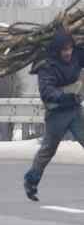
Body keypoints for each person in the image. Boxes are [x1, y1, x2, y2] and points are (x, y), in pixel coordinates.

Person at [24, 26, 84, 201]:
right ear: (57, 50)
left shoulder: (77, 56)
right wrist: (63, 97)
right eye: (64, 50)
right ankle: (31, 180)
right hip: (57, 113)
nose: (68, 53)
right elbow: (46, 90)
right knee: (48, 150)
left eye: (70, 48)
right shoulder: (47, 66)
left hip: (74, 110)